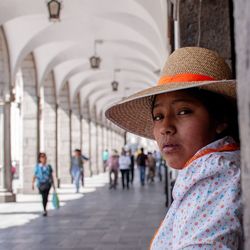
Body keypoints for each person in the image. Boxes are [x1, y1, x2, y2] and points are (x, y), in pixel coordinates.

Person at [105, 47, 242, 249]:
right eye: (158, 116)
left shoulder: (216, 173)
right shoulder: (206, 169)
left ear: (220, 118)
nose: (165, 128)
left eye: (184, 111)